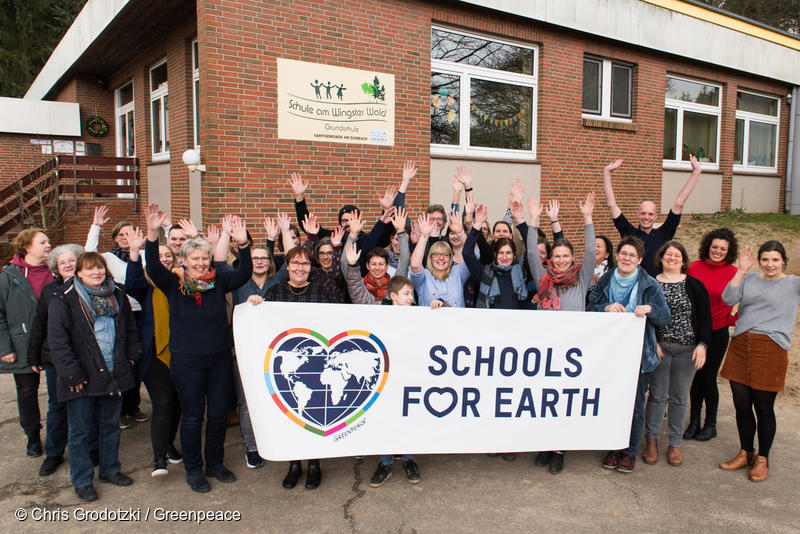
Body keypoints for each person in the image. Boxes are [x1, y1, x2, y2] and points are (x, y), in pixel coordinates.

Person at [144, 203, 252, 493]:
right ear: (184, 259)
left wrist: (242, 245)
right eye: (195, 258)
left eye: (205, 258)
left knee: (217, 414)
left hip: (218, 359)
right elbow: (153, 266)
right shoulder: (173, 283)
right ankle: (194, 469)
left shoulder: (219, 280)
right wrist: (153, 234)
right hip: (187, 360)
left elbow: (244, 274)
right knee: (192, 416)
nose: (201, 263)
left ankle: (215, 463)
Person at [48, 252, 140, 502]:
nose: (96, 272)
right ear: (78, 273)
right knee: (80, 432)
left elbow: (130, 330)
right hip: (82, 377)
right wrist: (72, 374)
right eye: (89, 269)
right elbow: (58, 342)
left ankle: (110, 470)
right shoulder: (64, 299)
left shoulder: (117, 295)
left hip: (113, 373)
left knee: (110, 426)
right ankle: (82, 480)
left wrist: (130, 357)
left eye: (99, 268)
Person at [525, 194, 596, 473]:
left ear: (572, 259)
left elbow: (591, 252)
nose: (562, 260)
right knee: (544, 399)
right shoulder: (542, 278)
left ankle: (559, 449)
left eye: (566, 256)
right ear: (551, 258)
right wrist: (534, 221)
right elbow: (532, 252)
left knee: (563, 400)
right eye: (557, 256)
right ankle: (545, 443)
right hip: (544, 347)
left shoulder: (581, 280)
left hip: (571, 349)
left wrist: (587, 218)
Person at [718, 241, 800, 482]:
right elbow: (727, 298)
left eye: (775, 259)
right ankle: (745, 452)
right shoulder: (750, 279)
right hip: (742, 344)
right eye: (765, 259)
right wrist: (742, 270)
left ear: (783, 260)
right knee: (741, 405)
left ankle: (762, 459)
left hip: (771, 347)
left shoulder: (793, 283)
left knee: (764, 407)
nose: (770, 264)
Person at [588, 236, 669, 473]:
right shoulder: (606, 279)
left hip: (640, 357)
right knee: (612, 403)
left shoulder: (649, 285)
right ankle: (614, 446)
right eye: (623, 253)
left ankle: (630, 451)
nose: (626, 258)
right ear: (617, 255)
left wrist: (650, 309)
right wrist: (605, 308)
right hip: (610, 356)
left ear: (640, 259)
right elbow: (590, 308)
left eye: (632, 255)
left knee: (634, 405)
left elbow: (664, 316)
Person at [258, 245, 331, 490]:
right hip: (286, 364)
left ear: (311, 268)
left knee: (311, 412)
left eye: (306, 264)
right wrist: (255, 305)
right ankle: (294, 464)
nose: (301, 268)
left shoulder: (321, 292)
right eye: (296, 264)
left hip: (314, 364)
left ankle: (314, 465)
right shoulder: (275, 291)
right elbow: (263, 324)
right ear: (287, 266)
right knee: (290, 412)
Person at [642, 241, 712, 467]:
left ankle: (674, 444)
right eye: (668, 255)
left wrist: (702, 344)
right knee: (657, 397)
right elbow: (644, 316)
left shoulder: (694, 285)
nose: (672, 258)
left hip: (687, 349)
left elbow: (704, 318)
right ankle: (651, 441)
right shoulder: (651, 285)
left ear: (683, 260)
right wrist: (653, 343)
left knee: (681, 398)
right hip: (660, 347)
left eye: (677, 255)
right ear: (661, 258)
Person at [123, 230, 184, 477]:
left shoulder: (183, 283)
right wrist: (136, 252)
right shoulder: (146, 286)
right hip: (156, 353)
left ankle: (168, 444)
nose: (165, 259)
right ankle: (159, 457)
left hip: (181, 352)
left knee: (178, 403)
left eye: (168, 255)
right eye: (159, 256)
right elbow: (132, 282)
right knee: (163, 402)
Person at [84, 206, 148, 428]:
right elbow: (87, 254)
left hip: (142, 315)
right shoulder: (106, 258)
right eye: (121, 235)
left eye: (129, 233)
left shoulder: (143, 256)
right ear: (114, 238)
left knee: (137, 363)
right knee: (122, 362)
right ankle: (120, 410)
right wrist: (96, 227)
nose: (125, 238)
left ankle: (134, 405)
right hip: (119, 316)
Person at [27, 243, 86, 476]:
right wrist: (34, 355)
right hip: (56, 360)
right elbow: (39, 325)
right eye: (63, 263)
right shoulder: (50, 292)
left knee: (85, 408)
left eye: (72, 260)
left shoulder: (90, 287)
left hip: (86, 358)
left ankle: (89, 450)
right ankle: (53, 453)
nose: (68, 265)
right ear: (56, 268)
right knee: (57, 406)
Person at [0, 228, 53, 458]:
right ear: (28, 247)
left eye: (48, 241)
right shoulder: (9, 276)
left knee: (59, 392)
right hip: (22, 344)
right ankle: (33, 435)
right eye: (43, 242)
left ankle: (59, 435)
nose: (49, 245)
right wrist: (5, 348)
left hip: (54, 342)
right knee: (27, 392)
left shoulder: (56, 270)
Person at [602, 155, 702, 276]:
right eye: (643, 213)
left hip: (657, 287)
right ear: (638, 215)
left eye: (650, 214)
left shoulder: (664, 233)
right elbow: (612, 205)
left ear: (655, 217)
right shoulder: (629, 233)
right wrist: (607, 172)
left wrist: (696, 172)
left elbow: (679, 203)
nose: (646, 217)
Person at [685, 228, 739, 442]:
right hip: (694, 331)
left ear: (729, 251)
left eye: (722, 249)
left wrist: (733, 319)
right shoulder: (693, 268)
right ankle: (694, 422)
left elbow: (745, 299)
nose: (717, 251)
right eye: (714, 247)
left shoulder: (734, 273)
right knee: (695, 378)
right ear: (708, 246)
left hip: (717, 332)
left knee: (708, 377)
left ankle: (711, 424)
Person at [463, 205, 529, 310]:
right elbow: (467, 253)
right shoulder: (485, 273)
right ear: (495, 255)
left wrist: (521, 221)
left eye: (508, 253)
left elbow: (531, 249)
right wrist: (477, 226)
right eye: (501, 253)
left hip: (517, 324)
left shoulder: (521, 271)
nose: (504, 257)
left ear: (514, 255)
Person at [345, 208, 410, 304]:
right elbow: (346, 266)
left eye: (381, 264)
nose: (377, 268)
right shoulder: (360, 284)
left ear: (387, 266)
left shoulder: (394, 287)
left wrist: (401, 231)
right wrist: (353, 234)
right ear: (367, 266)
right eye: (373, 264)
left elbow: (404, 261)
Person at [409, 213, 471, 307]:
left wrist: (461, 233)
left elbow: (472, 255)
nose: (441, 258)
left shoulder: (458, 272)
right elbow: (414, 266)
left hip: (456, 321)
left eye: (445, 255)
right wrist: (424, 235)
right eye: (437, 254)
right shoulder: (425, 276)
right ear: (430, 257)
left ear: (450, 258)